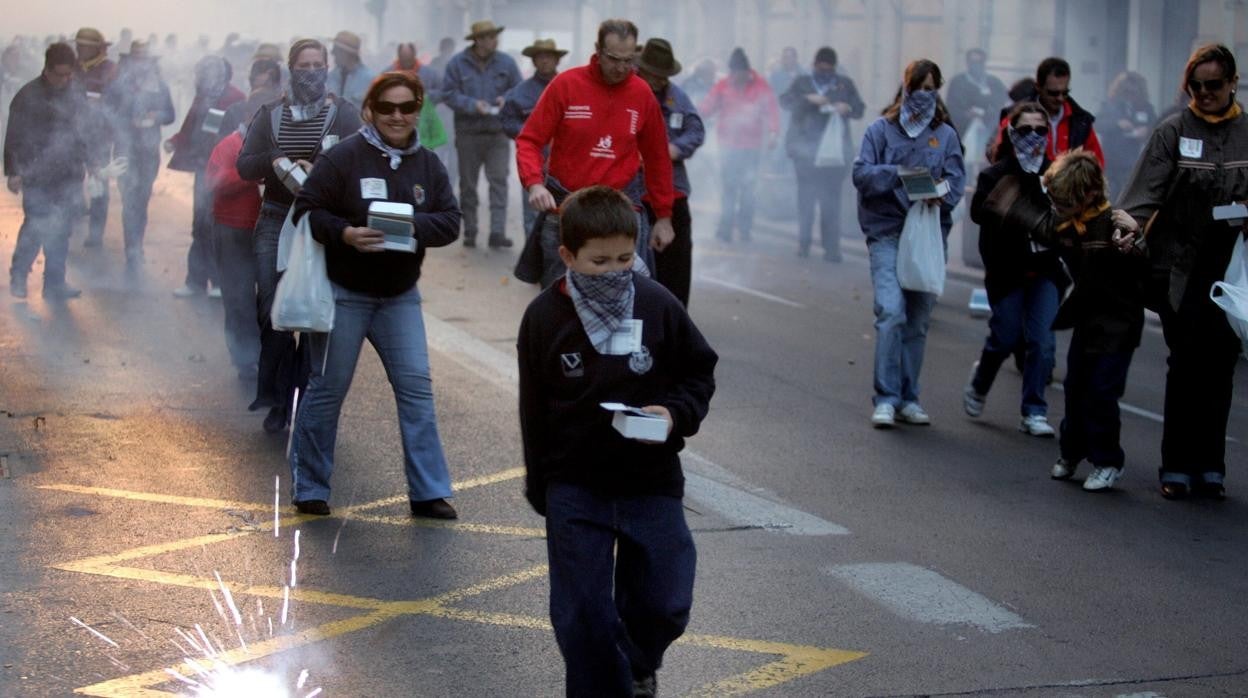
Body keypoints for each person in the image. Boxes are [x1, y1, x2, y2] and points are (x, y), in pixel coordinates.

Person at [517, 184, 717, 697]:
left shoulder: (656, 303)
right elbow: (533, 411)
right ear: (567, 256)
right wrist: (543, 487)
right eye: (599, 261)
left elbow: (698, 373)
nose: (614, 271)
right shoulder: (543, 317)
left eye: (625, 258)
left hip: (649, 479)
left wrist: (673, 414)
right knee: (581, 613)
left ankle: (635, 661)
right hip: (575, 486)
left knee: (666, 599)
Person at [290, 71, 460, 519]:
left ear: (418, 111)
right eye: (387, 108)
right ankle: (310, 487)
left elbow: (450, 221)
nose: (397, 116)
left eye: (407, 108)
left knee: (417, 392)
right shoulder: (344, 157)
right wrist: (345, 233)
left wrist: (411, 227)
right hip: (345, 293)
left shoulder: (428, 165)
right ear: (370, 110)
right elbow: (309, 210)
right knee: (327, 390)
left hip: (400, 296)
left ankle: (428, 492)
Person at [1118, 44, 1248, 500]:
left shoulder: (1247, 132)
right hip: (1180, 269)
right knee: (1187, 364)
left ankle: (1211, 466)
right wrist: (1126, 228)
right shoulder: (1172, 132)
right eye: (1195, 86)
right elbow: (1139, 198)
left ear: (1233, 82)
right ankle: (1176, 465)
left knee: (1221, 366)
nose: (1204, 93)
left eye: (1213, 85)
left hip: (1232, 273)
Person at [236, 38, 362, 434]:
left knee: (311, 312)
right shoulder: (270, 114)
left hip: (321, 221)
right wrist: (275, 161)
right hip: (275, 217)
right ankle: (276, 397)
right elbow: (244, 164)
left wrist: (323, 166)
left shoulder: (344, 114)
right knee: (272, 310)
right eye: (303, 64)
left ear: (327, 67)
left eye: (317, 63)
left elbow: (360, 162)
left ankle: (306, 398)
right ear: (291, 69)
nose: (310, 71)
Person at [515, 19, 676, 288]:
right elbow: (529, 140)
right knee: (559, 302)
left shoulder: (642, 93)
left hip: (621, 211)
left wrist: (663, 216)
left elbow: (658, 158)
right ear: (598, 50)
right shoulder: (566, 84)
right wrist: (533, 184)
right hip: (566, 209)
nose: (621, 68)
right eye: (613, 59)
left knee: (627, 300)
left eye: (628, 60)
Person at [852, 59, 965, 428]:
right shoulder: (880, 131)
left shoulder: (946, 135)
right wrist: (900, 174)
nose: (923, 96)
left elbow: (956, 182)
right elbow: (861, 173)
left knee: (917, 321)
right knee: (890, 312)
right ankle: (885, 397)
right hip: (886, 232)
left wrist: (939, 194)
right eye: (918, 88)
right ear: (905, 89)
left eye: (931, 89)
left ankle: (908, 398)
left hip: (928, 236)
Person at [1032, 150, 1146, 492]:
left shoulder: (1113, 224)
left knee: (1101, 392)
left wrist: (1135, 240)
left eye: (1063, 200)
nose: (1057, 205)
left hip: (1119, 323)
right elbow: (1033, 221)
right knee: (1075, 386)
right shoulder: (1065, 223)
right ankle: (1071, 453)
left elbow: (1141, 262)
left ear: (1089, 195)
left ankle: (1108, 461)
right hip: (1087, 318)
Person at [964, 102, 1065, 437]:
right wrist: (1004, 201)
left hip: (1045, 271)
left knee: (1042, 342)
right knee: (1005, 337)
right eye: (1025, 130)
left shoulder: (1056, 173)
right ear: (1011, 132)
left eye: (1040, 130)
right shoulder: (996, 173)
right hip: (1007, 272)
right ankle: (980, 383)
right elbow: (978, 213)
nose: (1033, 136)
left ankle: (1034, 410)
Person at [205, 58, 280, 381]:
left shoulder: (278, 144)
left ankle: (266, 355)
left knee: (267, 299)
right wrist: (251, 175)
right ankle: (244, 359)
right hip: (232, 229)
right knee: (236, 297)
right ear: (250, 117)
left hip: (267, 232)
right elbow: (215, 184)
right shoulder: (229, 145)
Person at [5, 43, 96, 299]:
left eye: (69, 74)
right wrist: (14, 171)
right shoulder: (27, 96)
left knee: (62, 229)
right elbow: (14, 136)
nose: (65, 80)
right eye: (60, 74)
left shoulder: (76, 92)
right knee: (36, 226)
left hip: (69, 173)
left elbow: (85, 131)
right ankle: (19, 276)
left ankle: (55, 283)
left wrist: (94, 164)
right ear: (47, 69)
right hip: (37, 175)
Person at [167, 55, 245, 298]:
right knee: (199, 224)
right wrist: (174, 141)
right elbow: (189, 128)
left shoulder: (236, 98)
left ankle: (221, 282)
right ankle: (195, 281)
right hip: (203, 169)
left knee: (217, 226)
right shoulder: (202, 97)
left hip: (224, 171)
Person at [636, 38, 704, 308]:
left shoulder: (677, 96)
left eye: (663, 76)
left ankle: (676, 321)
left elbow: (696, 129)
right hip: (635, 194)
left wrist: (675, 148)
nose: (658, 81)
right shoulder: (628, 92)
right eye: (653, 74)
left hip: (672, 192)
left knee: (675, 267)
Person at [780, 46, 865, 262]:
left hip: (834, 156)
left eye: (829, 69)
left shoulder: (844, 84)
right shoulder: (803, 83)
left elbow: (860, 108)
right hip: (805, 152)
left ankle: (832, 248)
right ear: (814, 65)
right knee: (806, 199)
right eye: (821, 68)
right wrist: (808, 100)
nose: (825, 72)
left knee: (831, 202)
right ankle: (804, 242)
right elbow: (785, 101)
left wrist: (847, 107)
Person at [442, 20, 521, 248]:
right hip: (468, 133)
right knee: (468, 185)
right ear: (477, 40)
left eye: (494, 36)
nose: (493, 40)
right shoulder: (458, 63)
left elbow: (519, 89)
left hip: (498, 133)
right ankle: (470, 230)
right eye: (488, 37)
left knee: (499, 181)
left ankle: (497, 232)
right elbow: (448, 93)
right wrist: (471, 104)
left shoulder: (507, 63)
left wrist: (507, 99)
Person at [104, 41, 175, 267]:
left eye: (144, 59)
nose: (140, 64)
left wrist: (156, 115)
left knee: (142, 199)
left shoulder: (159, 86)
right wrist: (126, 122)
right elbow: (107, 114)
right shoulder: (118, 86)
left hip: (148, 152)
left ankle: (137, 243)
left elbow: (170, 114)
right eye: (137, 59)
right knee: (129, 201)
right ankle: (131, 248)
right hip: (125, 149)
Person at [698, 47, 780, 242]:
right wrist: (694, 118)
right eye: (733, 73)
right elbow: (706, 107)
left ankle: (745, 228)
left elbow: (772, 110)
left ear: (747, 71)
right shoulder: (723, 85)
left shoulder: (761, 86)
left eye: (740, 73)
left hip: (751, 146)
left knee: (748, 188)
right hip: (727, 146)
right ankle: (725, 228)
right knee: (728, 188)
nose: (737, 77)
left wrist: (774, 133)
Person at [500, 38, 566, 239]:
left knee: (565, 217)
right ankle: (534, 264)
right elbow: (506, 121)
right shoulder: (519, 93)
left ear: (557, 60)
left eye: (549, 57)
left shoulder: (569, 87)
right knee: (532, 217)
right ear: (534, 61)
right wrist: (532, 133)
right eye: (540, 57)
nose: (545, 61)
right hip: (532, 164)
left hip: (565, 167)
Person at [996, 57, 1104, 167]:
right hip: (1026, 182)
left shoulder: (1081, 121)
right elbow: (999, 156)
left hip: (1069, 183)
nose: (1060, 98)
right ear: (1038, 87)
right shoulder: (1015, 116)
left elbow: (1096, 162)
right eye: (1053, 93)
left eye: (1065, 92)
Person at [74, 27, 118, 249]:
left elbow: (118, 103)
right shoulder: (72, 69)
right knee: (70, 178)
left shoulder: (110, 71)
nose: (79, 50)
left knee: (98, 183)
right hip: (72, 133)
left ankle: (96, 232)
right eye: (78, 46)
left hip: (99, 136)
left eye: (84, 47)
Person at [1098, 71, 1156, 200]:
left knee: (1128, 198)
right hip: (1111, 162)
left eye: (1134, 93)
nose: (1130, 96)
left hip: (1133, 163)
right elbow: (1098, 124)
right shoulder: (1109, 106)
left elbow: (1156, 128)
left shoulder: (1146, 108)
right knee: (1110, 198)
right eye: (1127, 92)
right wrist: (1117, 124)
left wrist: (1146, 131)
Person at [389, 42, 448, 151]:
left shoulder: (429, 74)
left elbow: (443, 92)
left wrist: (427, 96)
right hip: (396, 124)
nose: (406, 61)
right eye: (403, 58)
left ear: (414, 55)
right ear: (399, 56)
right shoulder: (388, 74)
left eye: (408, 58)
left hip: (423, 124)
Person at [945, 49, 1009, 136]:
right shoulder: (957, 82)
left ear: (984, 63)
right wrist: (966, 115)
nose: (976, 65)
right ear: (967, 63)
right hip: (963, 130)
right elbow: (951, 106)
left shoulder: (994, 82)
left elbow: (1002, 102)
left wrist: (988, 113)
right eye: (973, 62)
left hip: (989, 130)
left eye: (979, 62)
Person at [329, 31, 374, 107]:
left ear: (347, 53)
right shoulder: (330, 77)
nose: (332, 52)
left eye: (336, 49)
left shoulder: (369, 79)